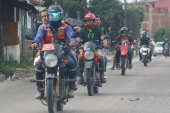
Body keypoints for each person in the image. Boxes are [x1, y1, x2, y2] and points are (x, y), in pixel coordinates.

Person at [31, 5, 77, 99]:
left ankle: (71, 88)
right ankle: (40, 90)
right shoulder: (44, 28)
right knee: (39, 65)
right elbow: (38, 37)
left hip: (63, 53)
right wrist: (34, 43)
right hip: (47, 54)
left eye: (56, 15)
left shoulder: (66, 27)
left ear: (60, 16)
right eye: (52, 15)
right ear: (48, 16)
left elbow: (71, 36)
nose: (54, 18)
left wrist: (73, 42)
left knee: (72, 63)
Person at [76, 13, 108, 84]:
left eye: (90, 21)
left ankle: (102, 75)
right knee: (80, 57)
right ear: (85, 22)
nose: (89, 22)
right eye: (87, 21)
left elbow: (103, 37)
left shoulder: (98, 29)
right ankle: (81, 76)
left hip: (97, 48)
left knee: (101, 57)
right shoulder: (82, 30)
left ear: (93, 21)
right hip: (85, 49)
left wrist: (105, 43)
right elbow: (78, 39)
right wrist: (76, 43)